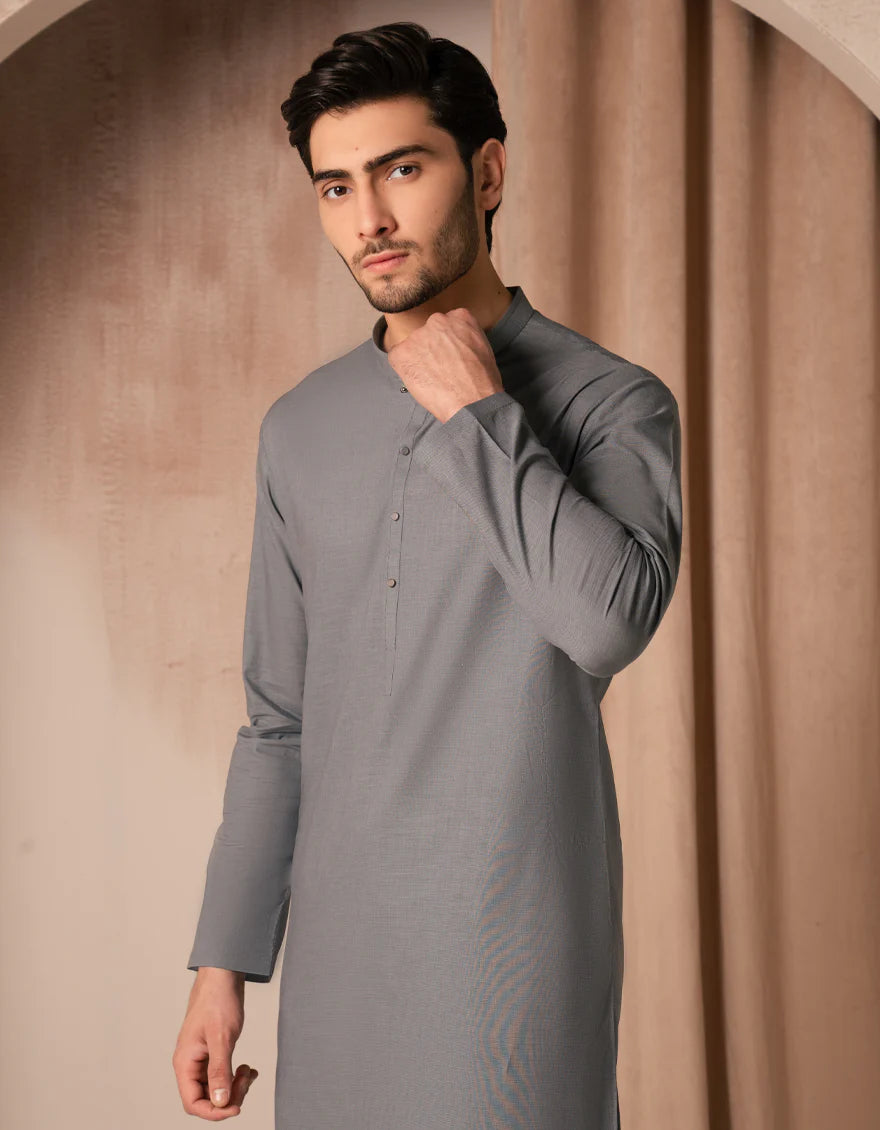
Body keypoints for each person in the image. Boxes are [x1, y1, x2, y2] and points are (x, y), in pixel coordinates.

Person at [172, 20, 682, 1130]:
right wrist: (223, 964)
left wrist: (479, 413)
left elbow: (608, 622)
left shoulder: (612, 401)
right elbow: (279, 721)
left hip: (515, 947)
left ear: (487, 173)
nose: (369, 219)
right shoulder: (300, 427)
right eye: (336, 187)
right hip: (342, 952)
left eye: (402, 170)